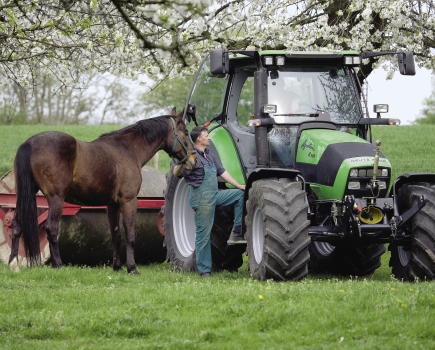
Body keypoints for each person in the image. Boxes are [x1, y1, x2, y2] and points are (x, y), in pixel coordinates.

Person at [173, 126, 246, 278]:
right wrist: (181, 161)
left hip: (215, 195)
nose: (209, 138)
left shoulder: (209, 155)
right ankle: (204, 271)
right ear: (199, 139)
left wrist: (238, 185)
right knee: (203, 236)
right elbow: (176, 173)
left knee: (240, 194)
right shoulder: (191, 157)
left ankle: (238, 231)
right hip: (201, 199)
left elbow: (222, 171)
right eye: (206, 135)